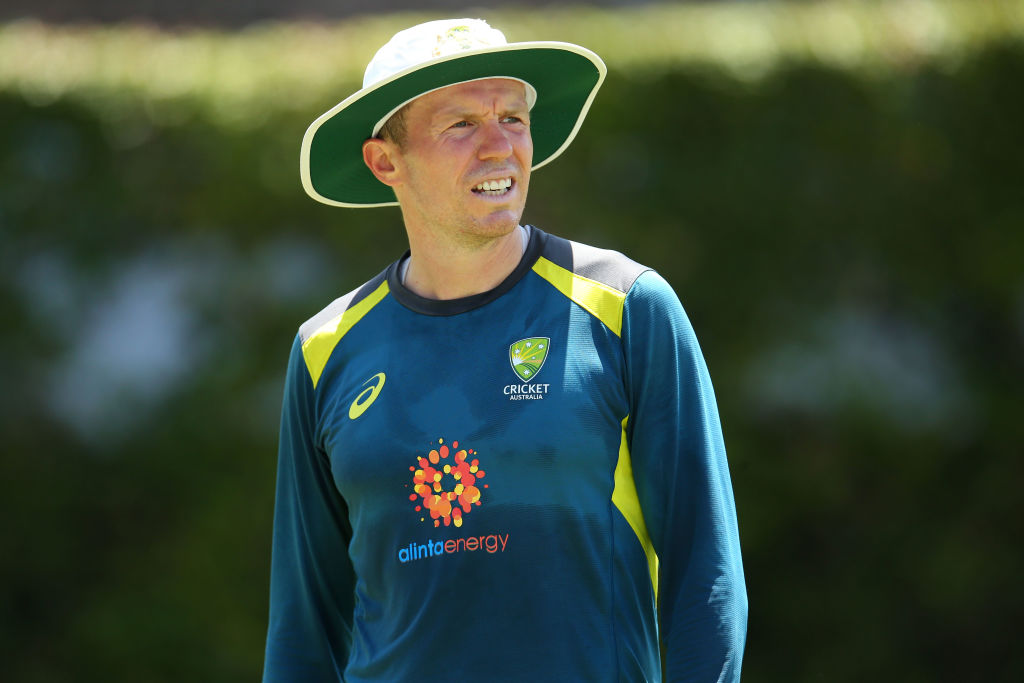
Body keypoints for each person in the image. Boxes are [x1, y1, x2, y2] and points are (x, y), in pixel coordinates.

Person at [263, 18, 747, 682]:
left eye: (513, 118)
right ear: (385, 162)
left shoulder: (628, 307)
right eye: (461, 124)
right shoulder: (325, 349)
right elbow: (303, 624)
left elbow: (706, 577)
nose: (499, 146)